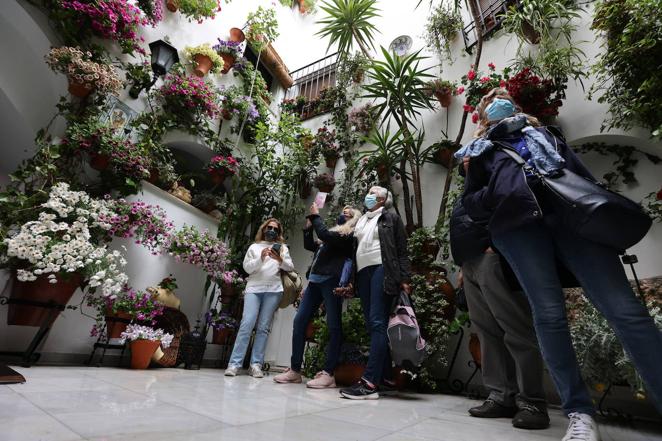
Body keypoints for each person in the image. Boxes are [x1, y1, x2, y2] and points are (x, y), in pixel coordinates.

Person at [459, 88, 662, 441]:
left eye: (503, 95)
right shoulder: (480, 153)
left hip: (574, 225)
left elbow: (582, 178)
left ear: (516, 106)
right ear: (483, 115)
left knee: (626, 312)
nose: (498, 99)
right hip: (518, 231)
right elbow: (472, 204)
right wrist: (497, 193)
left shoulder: (548, 134)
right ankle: (580, 414)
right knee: (548, 316)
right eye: (490, 99)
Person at [450, 199, 549, 430]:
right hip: (470, 260)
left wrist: (497, 245)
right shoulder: (470, 185)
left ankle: (532, 402)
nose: (463, 160)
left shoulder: (497, 170)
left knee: (516, 328)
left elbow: (518, 206)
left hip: (494, 256)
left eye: (466, 158)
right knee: (485, 330)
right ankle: (501, 396)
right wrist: (463, 264)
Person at [274, 204, 361, 388]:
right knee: (300, 321)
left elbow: (324, 234)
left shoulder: (348, 236)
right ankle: (295, 371)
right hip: (315, 281)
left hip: (331, 282)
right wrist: (308, 227)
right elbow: (310, 244)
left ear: (355, 219)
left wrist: (315, 217)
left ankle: (329, 374)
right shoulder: (333, 236)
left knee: (333, 326)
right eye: (342, 212)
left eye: (348, 214)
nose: (344, 214)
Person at [339, 186, 411, 400]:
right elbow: (352, 246)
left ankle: (369, 382)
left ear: (381, 198)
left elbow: (401, 249)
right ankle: (387, 379)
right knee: (373, 325)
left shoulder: (391, 218)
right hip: (363, 272)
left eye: (372, 193)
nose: (367, 196)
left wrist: (405, 278)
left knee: (377, 322)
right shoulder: (362, 220)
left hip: (383, 269)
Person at [225, 218, 294, 378]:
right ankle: (234, 364)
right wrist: (261, 258)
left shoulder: (282, 248)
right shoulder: (254, 247)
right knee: (246, 325)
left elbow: (290, 267)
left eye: (275, 229)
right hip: (254, 289)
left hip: (274, 290)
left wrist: (279, 259)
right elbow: (247, 268)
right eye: (269, 227)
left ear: (279, 233)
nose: (272, 231)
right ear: (263, 229)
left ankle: (256, 365)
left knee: (263, 328)